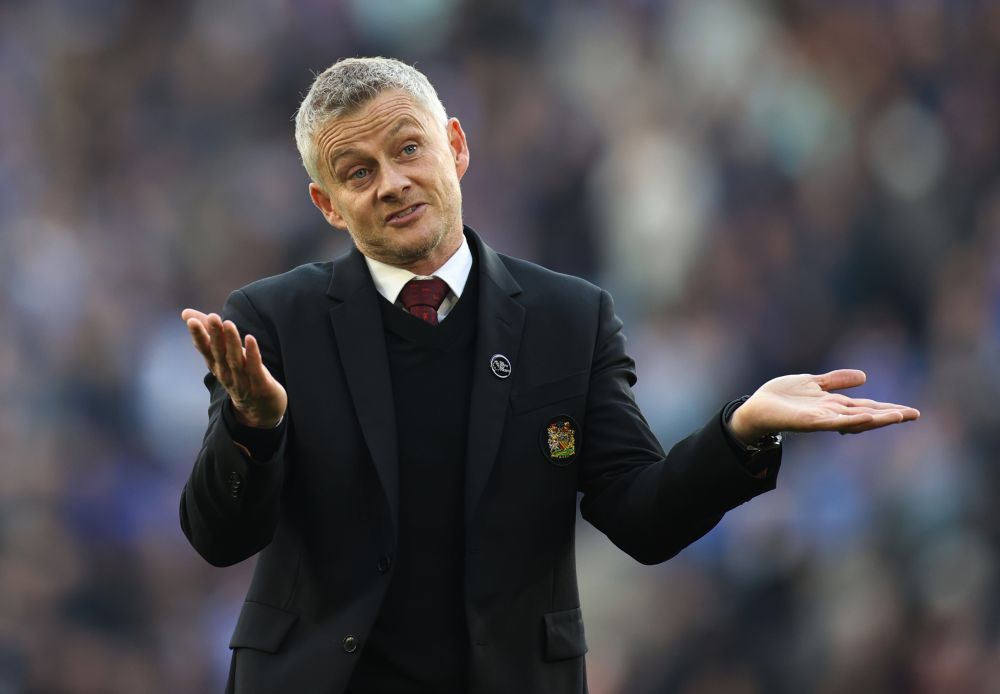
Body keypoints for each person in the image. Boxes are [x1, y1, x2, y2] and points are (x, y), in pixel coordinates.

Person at [179, 57, 919, 694]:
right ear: (328, 205)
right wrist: (254, 427)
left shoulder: (570, 318)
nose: (393, 183)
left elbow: (642, 516)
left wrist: (740, 431)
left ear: (456, 146)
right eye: (358, 172)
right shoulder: (271, 321)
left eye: (408, 149)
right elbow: (219, 537)